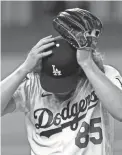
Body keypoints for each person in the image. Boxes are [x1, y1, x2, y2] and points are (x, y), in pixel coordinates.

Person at [1, 8, 122, 155]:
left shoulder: (101, 76)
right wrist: (24, 69)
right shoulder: (32, 83)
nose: (58, 90)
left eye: (65, 80)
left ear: (79, 72)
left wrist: (87, 63)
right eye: (52, 81)